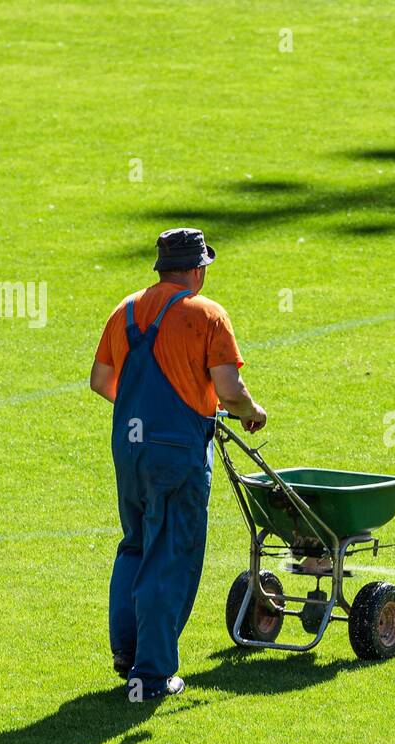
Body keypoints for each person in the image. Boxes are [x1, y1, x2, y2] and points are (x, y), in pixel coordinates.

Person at [89, 228, 267, 701]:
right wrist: (252, 414)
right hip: (177, 453)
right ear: (197, 269)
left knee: (136, 545)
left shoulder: (125, 309)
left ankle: (127, 654)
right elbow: (229, 390)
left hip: (130, 447)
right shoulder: (206, 314)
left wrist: (141, 415)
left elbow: (101, 380)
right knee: (171, 555)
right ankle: (150, 677)